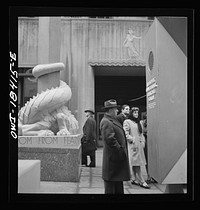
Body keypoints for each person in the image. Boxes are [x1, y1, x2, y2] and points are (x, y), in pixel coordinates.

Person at [100, 99, 130, 194]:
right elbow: (110, 139)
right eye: (115, 109)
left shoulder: (112, 120)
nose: (117, 111)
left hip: (116, 161)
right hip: (113, 160)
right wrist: (120, 151)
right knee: (110, 189)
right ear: (110, 110)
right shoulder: (106, 121)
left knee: (118, 186)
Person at [123, 107, 150, 189]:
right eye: (134, 113)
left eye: (137, 113)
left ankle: (134, 178)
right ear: (131, 113)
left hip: (140, 145)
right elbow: (126, 133)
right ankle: (142, 180)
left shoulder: (139, 123)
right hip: (133, 146)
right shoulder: (127, 122)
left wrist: (143, 142)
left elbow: (141, 133)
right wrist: (132, 140)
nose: (136, 114)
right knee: (136, 162)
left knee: (136, 162)